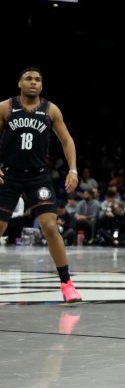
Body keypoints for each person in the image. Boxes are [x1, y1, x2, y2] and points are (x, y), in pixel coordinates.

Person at [0, 67, 82, 301]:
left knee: (49, 227)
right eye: (28, 78)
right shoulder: (6, 107)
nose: (33, 82)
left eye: (37, 79)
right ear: (19, 83)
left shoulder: (50, 109)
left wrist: (73, 170)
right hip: (9, 175)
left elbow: (67, 140)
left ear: (42, 85)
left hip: (38, 176)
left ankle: (67, 283)